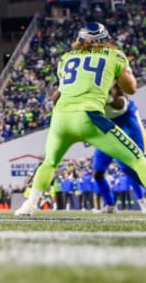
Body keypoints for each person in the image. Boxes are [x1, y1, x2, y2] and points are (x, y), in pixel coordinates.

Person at [17, 22, 146, 215]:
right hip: (90, 117)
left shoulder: (66, 58)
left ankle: (29, 205)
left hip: (60, 119)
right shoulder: (114, 55)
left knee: (50, 162)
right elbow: (131, 89)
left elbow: (56, 97)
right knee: (137, 159)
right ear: (105, 40)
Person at [93, 84, 146, 213]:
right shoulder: (82, 81)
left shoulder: (110, 75)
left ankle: (142, 201)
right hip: (106, 127)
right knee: (98, 173)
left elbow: (121, 103)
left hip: (124, 120)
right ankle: (110, 205)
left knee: (130, 167)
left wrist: (107, 98)